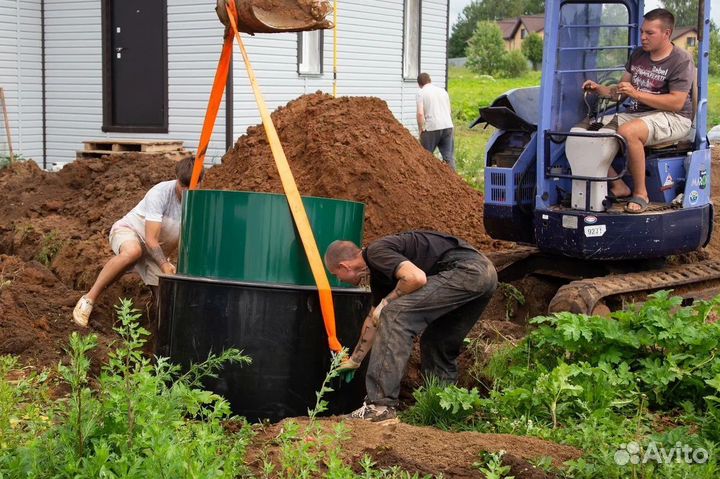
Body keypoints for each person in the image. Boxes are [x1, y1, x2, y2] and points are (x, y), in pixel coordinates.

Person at [324, 231, 497, 424]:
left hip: (466, 270)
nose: (337, 280)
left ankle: (380, 407)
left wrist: (385, 304)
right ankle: (443, 410)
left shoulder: (376, 252)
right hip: (484, 275)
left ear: (344, 266)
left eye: (335, 275)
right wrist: (354, 360)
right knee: (437, 339)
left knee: (394, 315)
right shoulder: (380, 275)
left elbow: (416, 277)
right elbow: (373, 320)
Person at [582, 8, 694, 214]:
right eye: (642, 31)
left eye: (649, 33)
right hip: (639, 114)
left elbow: (676, 103)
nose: (643, 37)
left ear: (666, 33)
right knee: (587, 131)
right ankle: (618, 186)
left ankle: (641, 193)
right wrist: (599, 89)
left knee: (629, 132)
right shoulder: (638, 54)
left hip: (674, 117)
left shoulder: (681, 60)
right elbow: (620, 93)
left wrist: (636, 94)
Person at [72, 156, 202, 327]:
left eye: (191, 187)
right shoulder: (160, 193)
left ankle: (162, 341)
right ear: (177, 179)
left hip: (156, 251)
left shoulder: (200, 201)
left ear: (201, 182)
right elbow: (150, 239)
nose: (186, 192)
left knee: (167, 299)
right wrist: (164, 264)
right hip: (131, 233)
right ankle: (88, 299)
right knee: (133, 252)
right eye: (182, 186)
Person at [416, 73, 456, 170]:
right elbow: (449, 111)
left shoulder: (421, 93)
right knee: (449, 157)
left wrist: (421, 128)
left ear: (419, 84)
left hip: (431, 127)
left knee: (425, 156)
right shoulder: (443, 91)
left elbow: (420, 114)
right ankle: (455, 182)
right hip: (447, 125)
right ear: (430, 80)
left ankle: (426, 180)